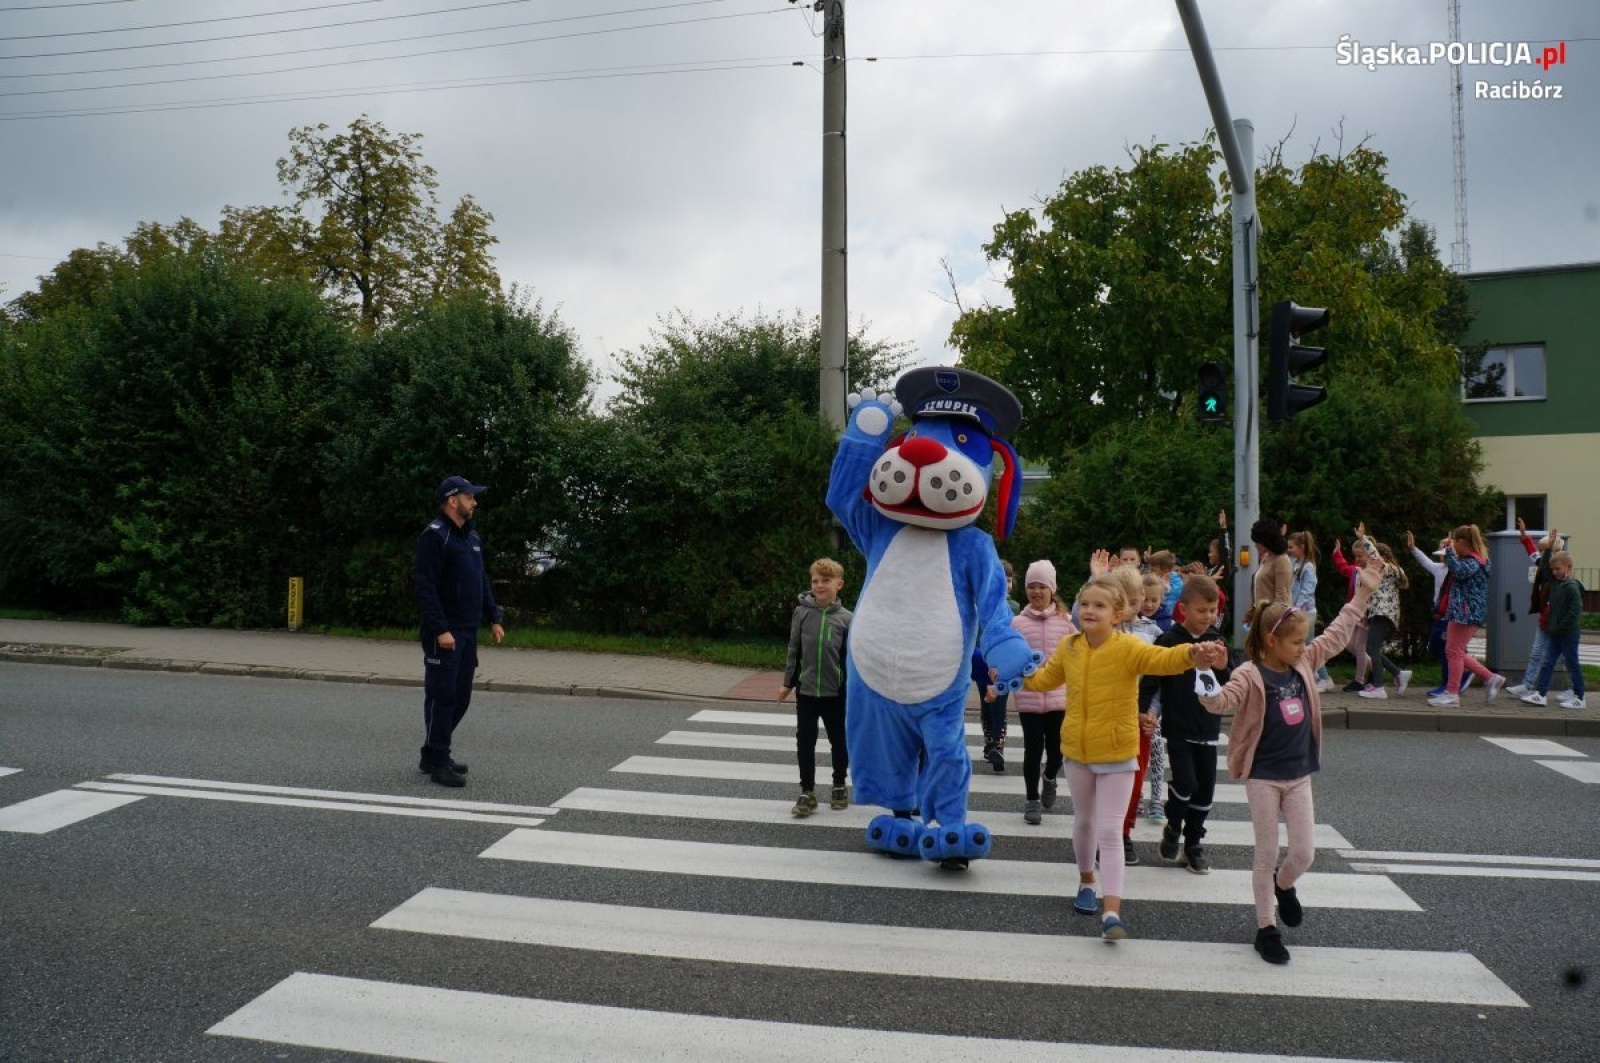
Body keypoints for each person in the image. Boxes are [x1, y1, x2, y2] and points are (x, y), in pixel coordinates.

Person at [1020, 570, 1227, 942]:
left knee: (1110, 831)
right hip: (1077, 752)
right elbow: (1045, 679)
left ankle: (1111, 911)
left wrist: (1193, 653)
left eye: (1099, 605)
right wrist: (1015, 675)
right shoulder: (1069, 646)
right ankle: (1086, 882)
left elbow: (1162, 659)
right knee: (1084, 822)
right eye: (1084, 604)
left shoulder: (1127, 647)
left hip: (1117, 751)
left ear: (1117, 615)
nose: (1089, 610)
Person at [1199, 556, 1383, 964]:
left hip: (1299, 775)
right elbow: (1219, 703)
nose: (1303, 648)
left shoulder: (1303, 662)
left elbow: (1336, 635)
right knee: (1266, 852)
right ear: (1270, 642)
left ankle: (1285, 886)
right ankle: (1266, 929)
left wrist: (1364, 591)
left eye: (1303, 642)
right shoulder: (1249, 674)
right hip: (1263, 776)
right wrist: (1206, 679)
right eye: (1296, 642)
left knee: (1304, 853)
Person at [415, 475, 506, 788]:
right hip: (445, 633)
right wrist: (440, 629)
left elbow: (481, 582)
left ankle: (432, 750)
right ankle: (438, 760)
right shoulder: (435, 536)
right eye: (470, 497)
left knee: (461, 697)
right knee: (443, 696)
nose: (475, 502)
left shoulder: (472, 538)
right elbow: (425, 588)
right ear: (453, 500)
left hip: (468, 632)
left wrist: (493, 617)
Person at [1140, 575, 1231, 873]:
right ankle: (1174, 825)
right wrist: (1147, 712)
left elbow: (1231, 683)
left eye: (1212, 610)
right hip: (1178, 727)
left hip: (1208, 728)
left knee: (1205, 791)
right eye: (1201, 610)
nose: (1208, 616)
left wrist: (1223, 668)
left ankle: (1193, 844)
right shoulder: (1168, 640)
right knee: (1186, 783)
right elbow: (1152, 679)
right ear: (1183, 609)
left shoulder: (1217, 641)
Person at [778, 558, 853, 816]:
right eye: (815, 581)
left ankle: (839, 784)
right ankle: (807, 791)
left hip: (836, 693)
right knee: (805, 741)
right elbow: (794, 650)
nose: (819, 585)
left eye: (826, 581)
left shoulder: (846, 619)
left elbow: (851, 659)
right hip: (807, 691)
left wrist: (854, 690)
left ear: (838, 584)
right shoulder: (802, 613)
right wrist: (787, 683)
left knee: (838, 740)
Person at [1007, 560, 1076, 825]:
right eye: (1031, 586)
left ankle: (1049, 777)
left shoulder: (1066, 622)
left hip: (1060, 697)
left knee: (1057, 749)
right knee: (1032, 750)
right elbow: (1007, 656)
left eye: (1042, 587)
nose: (1036, 592)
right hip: (1029, 697)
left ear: (1052, 589)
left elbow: (1079, 652)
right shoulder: (1017, 623)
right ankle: (1032, 799)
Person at [1429, 524, 1507, 707]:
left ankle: (1452, 694)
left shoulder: (1473, 561)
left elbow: (1459, 571)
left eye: (1455, 541)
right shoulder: (1476, 559)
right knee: (1455, 651)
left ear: (1462, 541)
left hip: (1465, 612)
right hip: (1464, 612)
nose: (1453, 545)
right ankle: (1490, 678)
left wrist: (1448, 552)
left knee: (1453, 652)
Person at [1405, 528, 1471, 699]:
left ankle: (1449, 683)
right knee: (1436, 647)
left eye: (1445, 552)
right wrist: (1413, 548)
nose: (1441, 556)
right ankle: (1464, 673)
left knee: (1446, 650)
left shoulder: (1458, 570)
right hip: (1439, 615)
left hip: (1450, 616)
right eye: (1441, 553)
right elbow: (1424, 561)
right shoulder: (1439, 568)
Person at [1519, 550, 1587, 709]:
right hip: (1555, 633)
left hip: (1568, 634)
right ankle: (1540, 694)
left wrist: (1561, 626)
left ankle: (1580, 697)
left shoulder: (1571, 587)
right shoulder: (1556, 583)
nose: (1554, 572)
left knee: (1572, 664)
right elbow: (1543, 566)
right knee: (1547, 663)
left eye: (1558, 569)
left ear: (1568, 567)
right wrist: (1548, 548)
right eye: (1553, 569)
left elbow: (1575, 612)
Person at [973, 560, 1022, 773]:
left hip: (1004, 662)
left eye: (1009, 580)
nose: (1005, 584)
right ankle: (989, 742)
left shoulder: (1015, 608)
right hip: (982, 659)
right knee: (986, 704)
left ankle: (998, 745)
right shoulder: (979, 605)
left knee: (999, 703)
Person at [1507, 520, 1559, 699]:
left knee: (1565, 656)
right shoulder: (1544, 566)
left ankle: (1575, 691)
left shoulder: (1555, 573)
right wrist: (1524, 535)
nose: (1541, 553)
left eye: (1545, 549)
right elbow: (1532, 552)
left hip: (1557, 620)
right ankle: (1528, 685)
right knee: (1537, 653)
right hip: (1545, 618)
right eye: (1542, 549)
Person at [1355, 539, 1413, 699]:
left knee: (1372, 648)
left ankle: (1378, 686)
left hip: (1383, 612)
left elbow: (1374, 555)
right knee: (1371, 648)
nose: (1371, 560)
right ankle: (1398, 674)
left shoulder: (1388, 568)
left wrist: (1364, 539)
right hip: (1379, 612)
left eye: (1374, 557)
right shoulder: (1383, 571)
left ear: (1383, 557)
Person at [1287, 530, 1334, 693]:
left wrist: (1296, 611)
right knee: (1306, 645)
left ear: (1302, 547)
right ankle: (1313, 675)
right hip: (1298, 612)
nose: (1289, 550)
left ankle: (1325, 678)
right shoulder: (1295, 563)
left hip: (1305, 613)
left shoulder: (1308, 567)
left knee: (1309, 645)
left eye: (1292, 547)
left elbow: (1307, 592)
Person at [1329, 534, 1373, 692]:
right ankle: (1373, 667)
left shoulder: (1373, 571)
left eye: (1361, 555)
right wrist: (1337, 554)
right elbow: (1344, 569)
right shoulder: (1356, 569)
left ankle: (1359, 681)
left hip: (1365, 612)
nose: (1358, 559)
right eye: (1356, 556)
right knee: (1348, 643)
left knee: (1360, 647)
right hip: (1355, 611)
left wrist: (1365, 538)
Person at [1249, 518, 1292, 611]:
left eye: (1257, 542)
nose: (1255, 545)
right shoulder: (1267, 558)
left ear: (1265, 541)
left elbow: (1282, 599)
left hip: (1272, 621)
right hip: (1261, 617)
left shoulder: (1281, 560)